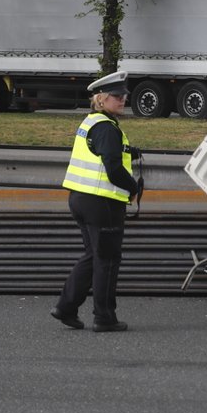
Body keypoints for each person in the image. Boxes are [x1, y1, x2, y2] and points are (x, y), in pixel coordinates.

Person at [52, 71, 141, 332]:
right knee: (108, 260)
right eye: (116, 96)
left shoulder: (92, 122)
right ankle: (104, 317)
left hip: (80, 198)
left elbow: (101, 152)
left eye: (124, 95)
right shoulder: (107, 129)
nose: (122, 99)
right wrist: (133, 188)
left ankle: (65, 308)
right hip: (102, 202)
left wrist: (129, 152)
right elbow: (112, 168)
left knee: (93, 256)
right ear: (101, 99)